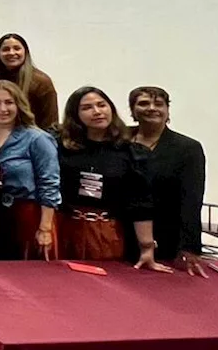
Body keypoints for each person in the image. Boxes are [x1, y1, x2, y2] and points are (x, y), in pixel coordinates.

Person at [56, 87, 167, 270]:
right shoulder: (62, 146)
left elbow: (141, 204)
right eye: (87, 107)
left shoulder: (132, 153)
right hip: (63, 227)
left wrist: (147, 248)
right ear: (75, 114)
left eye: (102, 105)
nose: (97, 112)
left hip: (106, 232)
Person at [0, 81, 61, 261]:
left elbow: (49, 184)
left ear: (19, 105)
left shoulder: (37, 139)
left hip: (28, 216)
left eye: (9, 102)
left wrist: (45, 228)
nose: (2, 108)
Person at [128, 86, 207, 276]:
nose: (152, 108)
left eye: (159, 104)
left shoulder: (188, 148)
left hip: (166, 237)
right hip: (122, 235)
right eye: (144, 103)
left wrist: (190, 247)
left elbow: (192, 199)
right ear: (132, 110)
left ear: (167, 111)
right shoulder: (119, 140)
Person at [0, 33, 59, 130]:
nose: (11, 53)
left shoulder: (41, 81)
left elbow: (50, 121)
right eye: (6, 49)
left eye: (17, 48)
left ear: (25, 52)